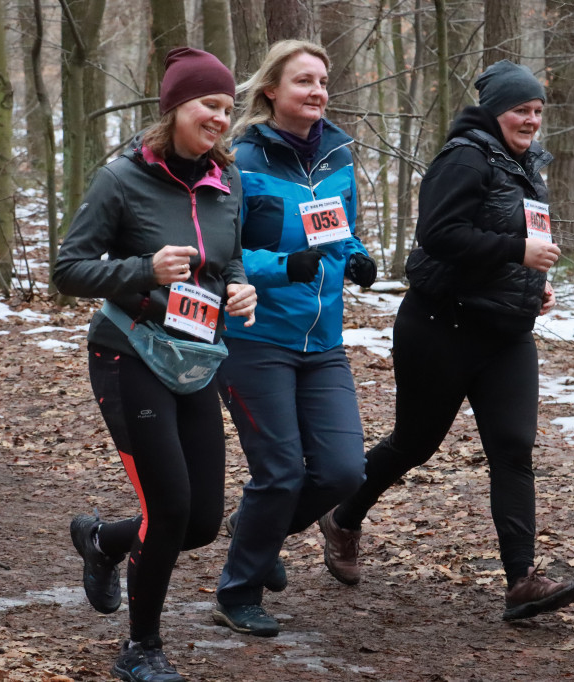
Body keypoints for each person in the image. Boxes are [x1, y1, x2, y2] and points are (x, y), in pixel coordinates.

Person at [319, 59, 574, 622]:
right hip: (442, 325)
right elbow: (438, 234)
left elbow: (525, 234)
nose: (532, 120)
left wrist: (535, 283)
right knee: (415, 443)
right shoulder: (464, 157)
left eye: (538, 110)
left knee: (513, 448)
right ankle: (343, 517)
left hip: (506, 333)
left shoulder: (530, 164)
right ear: (495, 112)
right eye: (521, 110)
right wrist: (516, 254)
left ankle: (521, 582)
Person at [52, 47, 256, 682]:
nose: (221, 118)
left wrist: (241, 287)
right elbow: (68, 270)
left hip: (193, 357)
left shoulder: (229, 183)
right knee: (168, 509)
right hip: (127, 352)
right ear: (174, 108)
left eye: (227, 107)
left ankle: (104, 540)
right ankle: (142, 648)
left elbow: (229, 259)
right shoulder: (121, 179)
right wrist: (143, 269)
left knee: (198, 521)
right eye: (208, 105)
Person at [209, 40, 378, 638]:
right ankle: (239, 591)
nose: (317, 91)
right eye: (303, 80)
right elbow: (219, 253)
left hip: (323, 340)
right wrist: (284, 267)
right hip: (254, 336)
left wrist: (356, 258)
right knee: (279, 473)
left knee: (342, 472)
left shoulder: (336, 152)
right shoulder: (239, 160)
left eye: (323, 82)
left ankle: (256, 530)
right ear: (271, 91)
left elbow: (338, 228)